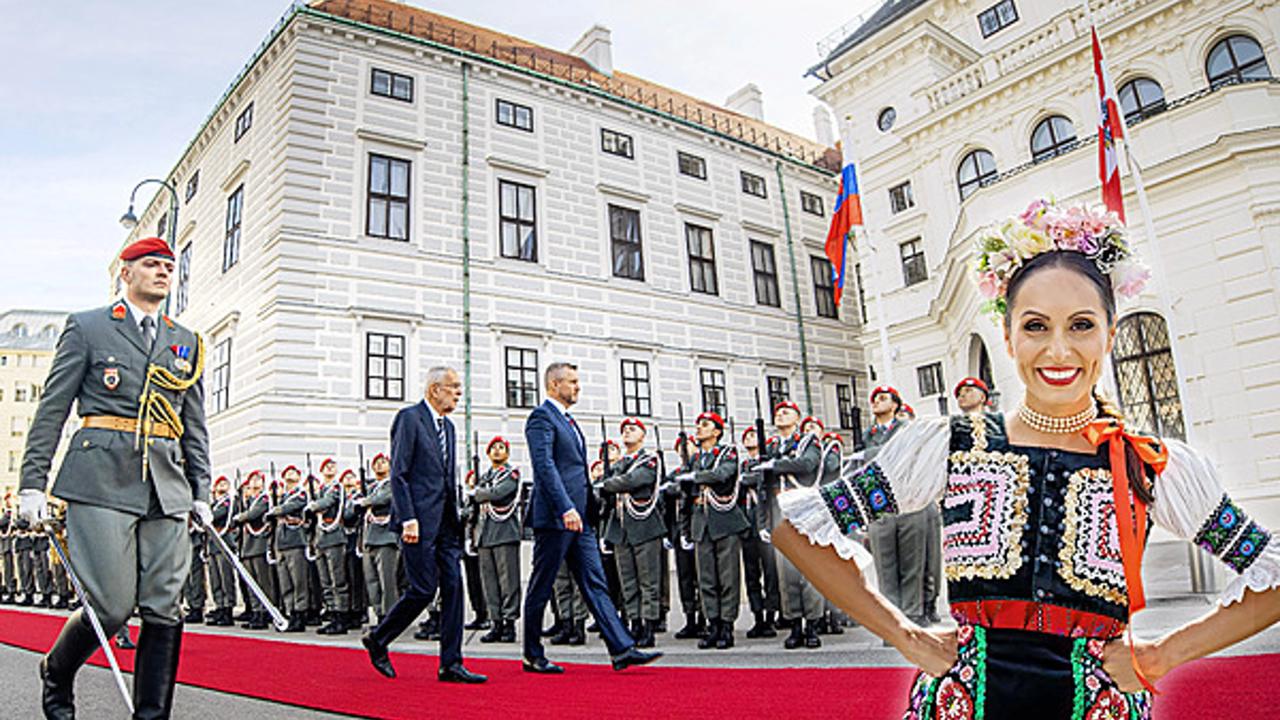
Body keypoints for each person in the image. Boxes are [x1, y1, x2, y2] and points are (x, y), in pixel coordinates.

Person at [772, 198, 1280, 718]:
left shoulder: (1147, 462)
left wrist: (1162, 653)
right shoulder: (950, 445)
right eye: (1036, 326)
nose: (1058, 350)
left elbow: (1274, 574)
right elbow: (798, 531)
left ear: (1110, 333)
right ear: (1009, 338)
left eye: (1081, 325)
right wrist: (905, 636)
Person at [19, 237, 211, 719]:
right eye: (151, 264)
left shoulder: (186, 340)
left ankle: (151, 717)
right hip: (100, 476)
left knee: (167, 605)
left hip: (166, 484)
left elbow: (194, 424)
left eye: (169, 266)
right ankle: (57, 671)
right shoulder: (88, 327)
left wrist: (201, 491)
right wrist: (31, 482)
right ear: (125, 274)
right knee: (110, 605)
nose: (163, 272)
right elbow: (54, 408)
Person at [520, 362, 661, 674]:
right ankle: (532, 654)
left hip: (581, 517)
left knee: (595, 581)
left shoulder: (568, 421)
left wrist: (583, 509)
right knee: (542, 585)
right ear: (554, 385)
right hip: (558, 517)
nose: (577, 387)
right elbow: (545, 467)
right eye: (571, 382)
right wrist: (565, 507)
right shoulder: (541, 418)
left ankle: (621, 649)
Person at [360, 366, 486, 684]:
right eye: (453, 387)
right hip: (417, 521)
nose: (459, 392)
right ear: (434, 390)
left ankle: (451, 663)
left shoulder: (451, 427)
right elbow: (399, 474)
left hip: (446, 522)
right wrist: (409, 518)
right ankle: (379, 639)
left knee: (455, 588)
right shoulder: (409, 418)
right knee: (423, 589)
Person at [756, 400, 823, 649]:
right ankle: (795, 624)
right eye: (778, 412)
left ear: (797, 418)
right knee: (786, 574)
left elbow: (807, 464)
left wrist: (775, 465)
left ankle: (812, 626)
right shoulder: (771, 445)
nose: (780, 414)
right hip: (779, 511)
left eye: (786, 412)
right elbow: (762, 484)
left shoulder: (808, 441)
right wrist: (764, 520)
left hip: (803, 510)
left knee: (808, 572)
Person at [863, 386, 931, 626]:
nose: (876, 402)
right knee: (885, 564)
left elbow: (902, 452)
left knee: (911, 563)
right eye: (874, 399)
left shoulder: (906, 428)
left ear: (895, 405)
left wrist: (872, 454)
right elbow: (869, 459)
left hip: (908, 500)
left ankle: (912, 615)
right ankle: (892, 619)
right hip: (880, 503)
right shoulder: (868, 433)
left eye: (882, 398)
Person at [680, 411, 747, 650]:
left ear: (717, 431)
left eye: (705, 425)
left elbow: (722, 475)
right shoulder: (695, 458)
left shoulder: (727, 452)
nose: (699, 429)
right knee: (706, 578)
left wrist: (694, 477)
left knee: (728, 577)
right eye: (698, 424)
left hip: (724, 520)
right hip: (701, 522)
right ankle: (713, 624)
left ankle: (727, 626)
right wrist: (685, 528)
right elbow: (686, 495)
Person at [598, 418, 666, 649]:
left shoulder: (649, 459)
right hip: (621, 528)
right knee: (628, 581)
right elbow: (606, 484)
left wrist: (609, 484)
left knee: (648, 581)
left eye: (632, 429)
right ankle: (634, 623)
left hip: (644, 525)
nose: (627, 432)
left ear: (643, 435)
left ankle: (648, 626)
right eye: (624, 430)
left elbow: (634, 480)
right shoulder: (619, 463)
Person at [472, 436, 524, 644]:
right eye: (492, 448)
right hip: (485, 534)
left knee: (508, 580)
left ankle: (509, 623)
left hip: (504, 533)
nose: (496, 451)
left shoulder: (510, 474)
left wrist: (478, 493)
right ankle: (496, 622)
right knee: (490, 582)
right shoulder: (484, 477)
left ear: (507, 453)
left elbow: (499, 493)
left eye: (501, 447)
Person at [738, 426, 780, 639]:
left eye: (753, 435)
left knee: (771, 573)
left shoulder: (768, 460)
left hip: (766, 522)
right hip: (748, 524)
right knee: (752, 575)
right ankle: (758, 617)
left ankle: (771, 616)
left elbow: (759, 480)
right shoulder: (743, 465)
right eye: (746, 436)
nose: (749, 438)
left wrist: (746, 479)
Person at [309, 460, 352, 636]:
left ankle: (342, 617)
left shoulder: (336, 488)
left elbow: (327, 502)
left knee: (338, 581)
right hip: (321, 539)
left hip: (334, 537)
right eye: (326, 466)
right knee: (326, 582)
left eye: (333, 466)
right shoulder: (318, 490)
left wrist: (312, 506)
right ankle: (332, 615)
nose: (330, 468)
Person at [268, 465, 312, 632]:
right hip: (281, 542)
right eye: (287, 472)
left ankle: (300, 613)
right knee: (285, 582)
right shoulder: (281, 497)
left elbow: (292, 507)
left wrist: (276, 510)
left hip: (295, 541)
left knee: (298, 580)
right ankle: (289, 612)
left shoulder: (300, 494)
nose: (290, 475)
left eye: (294, 472)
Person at [357, 453, 399, 624]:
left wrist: (364, 501)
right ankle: (380, 614)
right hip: (369, 537)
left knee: (387, 581)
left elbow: (383, 499)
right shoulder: (372, 487)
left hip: (386, 537)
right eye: (376, 463)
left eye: (383, 462)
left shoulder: (392, 483)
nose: (380, 465)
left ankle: (390, 617)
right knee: (372, 581)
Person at [232, 471, 274, 630]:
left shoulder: (263, 499)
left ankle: (264, 612)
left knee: (262, 583)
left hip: (258, 546)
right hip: (247, 547)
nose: (254, 482)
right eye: (251, 480)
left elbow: (252, 514)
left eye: (257, 480)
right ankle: (256, 611)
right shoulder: (247, 501)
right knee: (251, 584)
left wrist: (239, 517)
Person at [205, 475, 238, 627]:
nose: (223, 485)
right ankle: (220, 606)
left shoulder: (228, 502)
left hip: (224, 542)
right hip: (213, 544)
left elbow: (215, 516)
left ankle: (228, 608)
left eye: (226, 483)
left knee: (226, 578)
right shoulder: (213, 504)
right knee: (215, 578)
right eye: (220, 483)